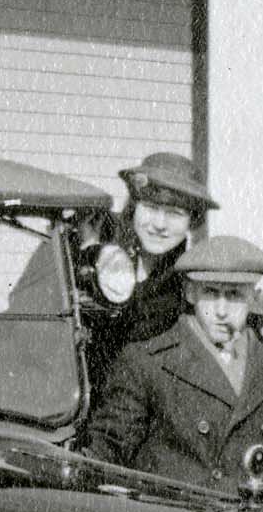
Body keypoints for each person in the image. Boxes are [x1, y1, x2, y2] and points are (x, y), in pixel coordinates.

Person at [75, 233, 263, 512]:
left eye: (235, 295)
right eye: (211, 293)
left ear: (254, 297)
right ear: (189, 293)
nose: (222, 310)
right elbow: (104, 458)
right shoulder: (146, 363)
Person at [83, 150, 216, 372]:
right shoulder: (92, 245)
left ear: (192, 221)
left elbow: (220, 313)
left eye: (174, 213)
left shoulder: (187, 280)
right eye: (151, 208)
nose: (159, 224)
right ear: (134, 207)